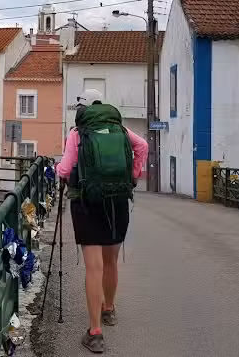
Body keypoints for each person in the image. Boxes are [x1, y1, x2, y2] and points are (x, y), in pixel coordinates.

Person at [56, 89, 148, 354]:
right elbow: (143, 146)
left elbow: (64, 168)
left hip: (87, 203)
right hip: (117, 201)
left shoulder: (77, 133)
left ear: (82, 108)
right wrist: (132, 175)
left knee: (93, 268)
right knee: (110, 261)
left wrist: (55, 171)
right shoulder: (120, 130)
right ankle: (109, 310)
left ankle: (95, 333)